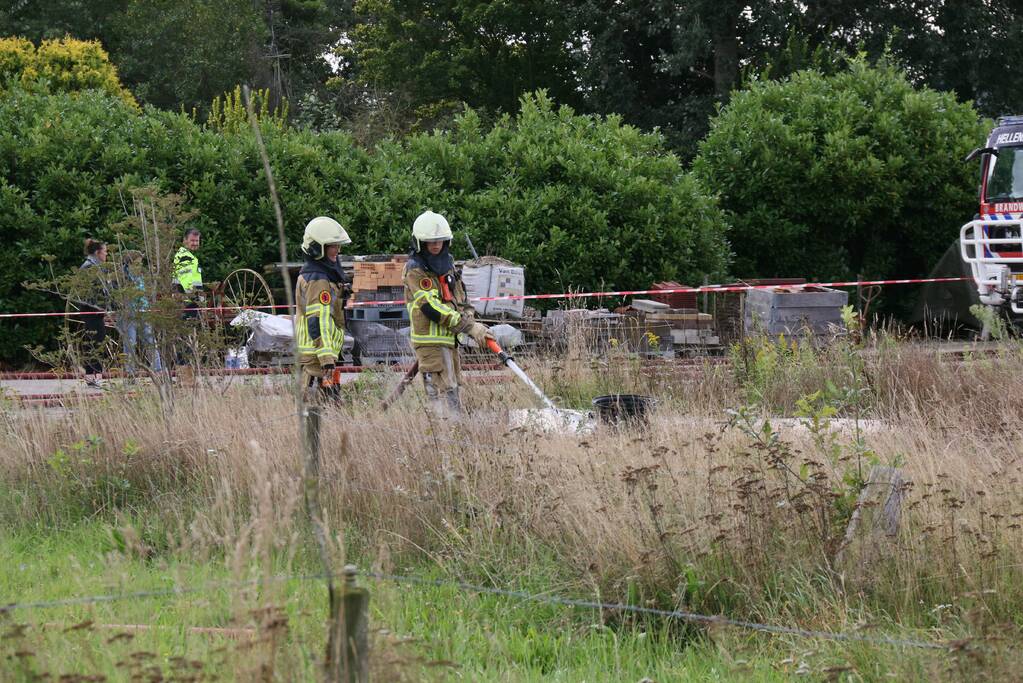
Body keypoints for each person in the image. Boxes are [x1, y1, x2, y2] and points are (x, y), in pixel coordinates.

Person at [403, 210, 493, 414]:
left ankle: (455, 430)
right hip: (430, 342)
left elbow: (459, 296)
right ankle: (442, 432)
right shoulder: (416, 270)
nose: (436, 245)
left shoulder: (446, 263)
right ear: (420, 243)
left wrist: (468, 315)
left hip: (449, 338)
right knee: (439, 392)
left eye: (440, 240)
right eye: (430, 241)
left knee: (453, 386)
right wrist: (468, 327)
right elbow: (431, 307)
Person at [295, 216, 352, 400]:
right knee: (319, 409)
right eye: (332, 246)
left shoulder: (323, 274)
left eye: (337, 245)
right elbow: (317, 321)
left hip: (323, 354)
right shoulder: (317, 279)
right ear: (317, 248)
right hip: (318, 356)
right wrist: (327, 359)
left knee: (330, 407)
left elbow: (331, 314)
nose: (337, 250)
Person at [116, 250, 162, 375]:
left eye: (140, 263)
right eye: (137, 263)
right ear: (129, 263)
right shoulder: (122, 277)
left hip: (143, 311)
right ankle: (130, 372)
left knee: (151, 341)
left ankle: (158, 369)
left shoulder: (140, 275)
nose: (139, 266)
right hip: (129, 314)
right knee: (130, 343)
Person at [77, 239, 110, 387]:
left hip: (94, 310)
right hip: (91, 310)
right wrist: (102, 307)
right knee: (95, 342)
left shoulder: (94, 266)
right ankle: (94, 376)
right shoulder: (90, 268)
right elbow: (91, 293)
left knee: (95, 342)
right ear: (97, 253)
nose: (106, 254)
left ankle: (92, 376)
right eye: (105, 251)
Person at [172, 228, 202, 385]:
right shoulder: (184, 256)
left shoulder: (189, 256)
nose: (195, 243)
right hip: (186, 303)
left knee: (186, 340)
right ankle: (185, 378)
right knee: (185, 341)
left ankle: (186, 376)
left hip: (189, 302)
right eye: (192, 240)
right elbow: (186, 283)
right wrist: (196, 296)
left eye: (197, 241)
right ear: (185, 240)